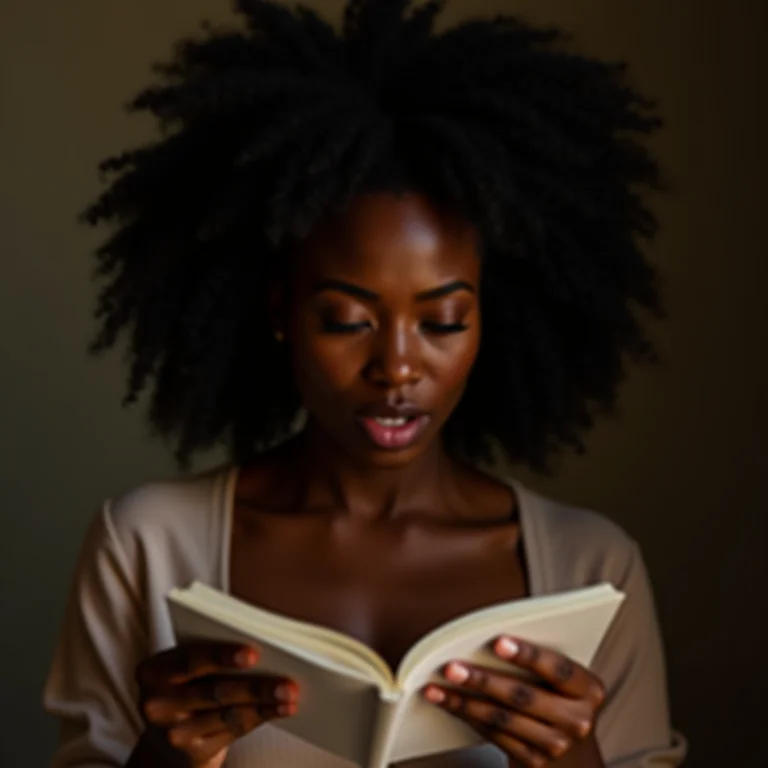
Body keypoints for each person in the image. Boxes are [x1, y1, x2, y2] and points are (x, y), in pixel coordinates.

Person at [43, 1, 687, 766]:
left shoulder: (594, 568)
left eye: (442, 321)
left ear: (491, 318)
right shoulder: (145, 546)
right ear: (280, 311)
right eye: (347, 320)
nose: (398, 367)